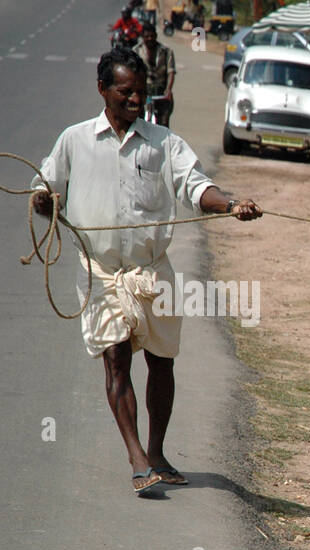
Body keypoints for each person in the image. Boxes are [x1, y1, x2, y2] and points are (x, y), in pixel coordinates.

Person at [30, 47, 262, 495]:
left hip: (152, 272)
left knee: (162, 362)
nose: (136, 99)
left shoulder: (163, 143)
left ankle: (157, 451)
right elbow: (46, 190)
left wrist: (231, 204)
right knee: (116, 360)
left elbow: (195, 187)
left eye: (141, 91)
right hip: (100, 271)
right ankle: (137, 457)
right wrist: (43, 202)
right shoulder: (74, 140)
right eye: (126, 92)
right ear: (103, 90)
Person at [134, 22, 175, 127]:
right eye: (146, 36)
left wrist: (168, 89)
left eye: (152, 36)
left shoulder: (166, 51)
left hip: (161, 92)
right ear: (142, 37)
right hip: (143, 91)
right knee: (138, 121)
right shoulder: (136, 51)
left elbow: (171, 72)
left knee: (164, 124)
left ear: (156, 36)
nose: (149, 39)